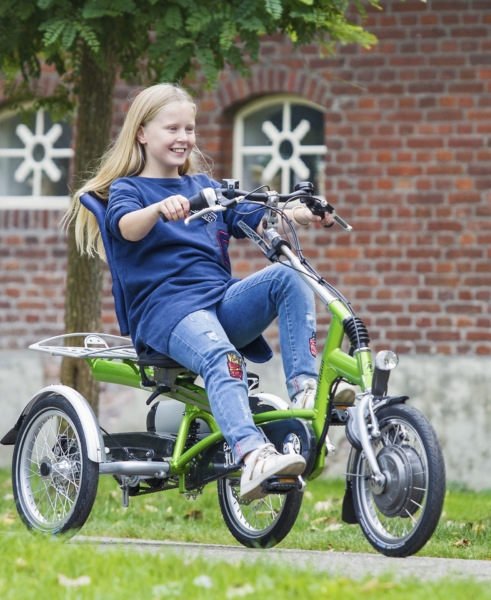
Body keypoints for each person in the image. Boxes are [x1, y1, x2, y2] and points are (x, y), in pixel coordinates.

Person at [66, 83, 335, 500]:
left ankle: (307, 390)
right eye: (171, 128)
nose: (183, 138)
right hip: (166, 313)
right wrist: (159, 209)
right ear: (142, 133)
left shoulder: (204, 185)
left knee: (288, 277)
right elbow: (124, 227)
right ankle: (253, 458)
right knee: (222, 357)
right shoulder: (129, 189)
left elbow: (260, 215)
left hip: (219, 301)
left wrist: (302, 212)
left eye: (189, 129)